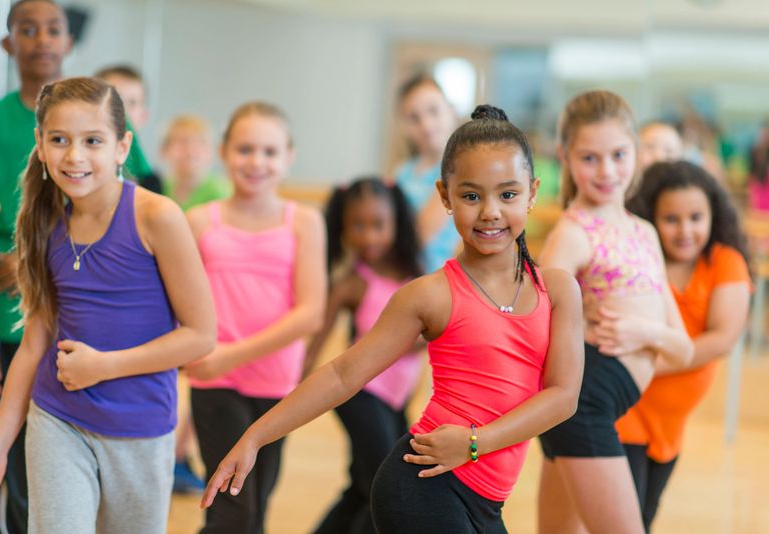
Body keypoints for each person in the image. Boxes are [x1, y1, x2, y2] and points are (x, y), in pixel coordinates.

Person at [201, 105, 584, 534]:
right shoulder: (429, 295)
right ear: (445, 197)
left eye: (507, 194)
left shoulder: (559, 290)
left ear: (532, 193)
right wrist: (256, 436)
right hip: (423, 485)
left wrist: (476, 443)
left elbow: (563, 397)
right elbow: (343, 374)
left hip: (483, 493)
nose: (490, 211)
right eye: (471, 196)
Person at [0, 77, 216, 533]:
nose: (74, 155)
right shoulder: (43, 225)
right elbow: (32, 347)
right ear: (40, 145)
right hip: (57, 419)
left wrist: (104, 366)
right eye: (59, 139)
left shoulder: (156, 217)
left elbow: (201, 336)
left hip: (141, 430)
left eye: (93, 141)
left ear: (122, 147)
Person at [536, 90, 694, 534]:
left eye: (618, 154)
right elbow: (533, 325)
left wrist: (644, 331)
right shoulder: (571, 233)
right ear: (566, 157)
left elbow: (681, 350)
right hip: (584, 403)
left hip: (599, 403)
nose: (607, 171)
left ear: (636, 153)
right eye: (590, 158)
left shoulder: (644, 232)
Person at [183, 102, 326, 534]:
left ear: (289, 156)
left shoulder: (304, 221)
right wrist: (211, 357)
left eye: (269, 151)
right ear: (225, 152)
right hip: (215, 381)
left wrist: (233, 355)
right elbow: (180, 302)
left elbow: (310, 313)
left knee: (257, 506)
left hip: (277, 385)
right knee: (232, 508)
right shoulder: (197, 222)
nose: (256, 162)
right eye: (245, 149)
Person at [0, 2, 73, 532]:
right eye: (26, 29)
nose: (40, 39)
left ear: (69, 42)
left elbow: (134, 198)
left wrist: (41, 261)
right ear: (9, 44)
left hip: (77, 309)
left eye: (53, 28)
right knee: (6, 438)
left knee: (62, 442)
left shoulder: (92, 116)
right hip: (7, 308)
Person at [616, 161, 751, 531]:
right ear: (651, 219)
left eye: (696, 217)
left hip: (669, 424)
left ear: (713, 215)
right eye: (671, 219)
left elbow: (721, 339)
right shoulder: (641, 259)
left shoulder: (724, 262)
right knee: (624, 521)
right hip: (625, 410)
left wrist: (647, 365)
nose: (685, 230)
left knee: (644, 515)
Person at [304, 177, 424, 534]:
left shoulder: (415, 278)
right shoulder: (352, 283)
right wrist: (290, 393)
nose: (369, 236)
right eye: (358, 226)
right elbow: (314, 339)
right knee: (385, 486)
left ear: (396, 224)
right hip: (360, 394)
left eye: (378, 226)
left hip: (396, 400)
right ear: (342, 226)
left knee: (362, 487)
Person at [157, 113, 231, 494]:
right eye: (180, 143)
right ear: (166, 151)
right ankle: (172, 452)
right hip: (165, 294)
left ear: (210, 153)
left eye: (196, 144)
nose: (188, 152)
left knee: (201, 372)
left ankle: (179, 452)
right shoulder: (160, 189)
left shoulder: (218, 192)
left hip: (207, 294)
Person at [394, 74, 461, 273]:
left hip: (443, 278)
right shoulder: (403, 172)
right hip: (405, 271)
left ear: (450, 110)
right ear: (405, 126)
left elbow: (421, 233)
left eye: (434, 111)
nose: (426, 125)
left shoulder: (460, 169)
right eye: (414, 118)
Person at [95, 64, 162, 193]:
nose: (122, 110)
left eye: (132, 103)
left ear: (143, 116)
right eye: (114, 100)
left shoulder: (150, 181)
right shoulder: (81, 168)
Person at [161, 114, 231, 211]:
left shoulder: (221, 192)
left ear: (212, 151)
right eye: (182, 142)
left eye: (200, 142)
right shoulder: (160, 188)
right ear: (164, 150)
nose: (190, 151)